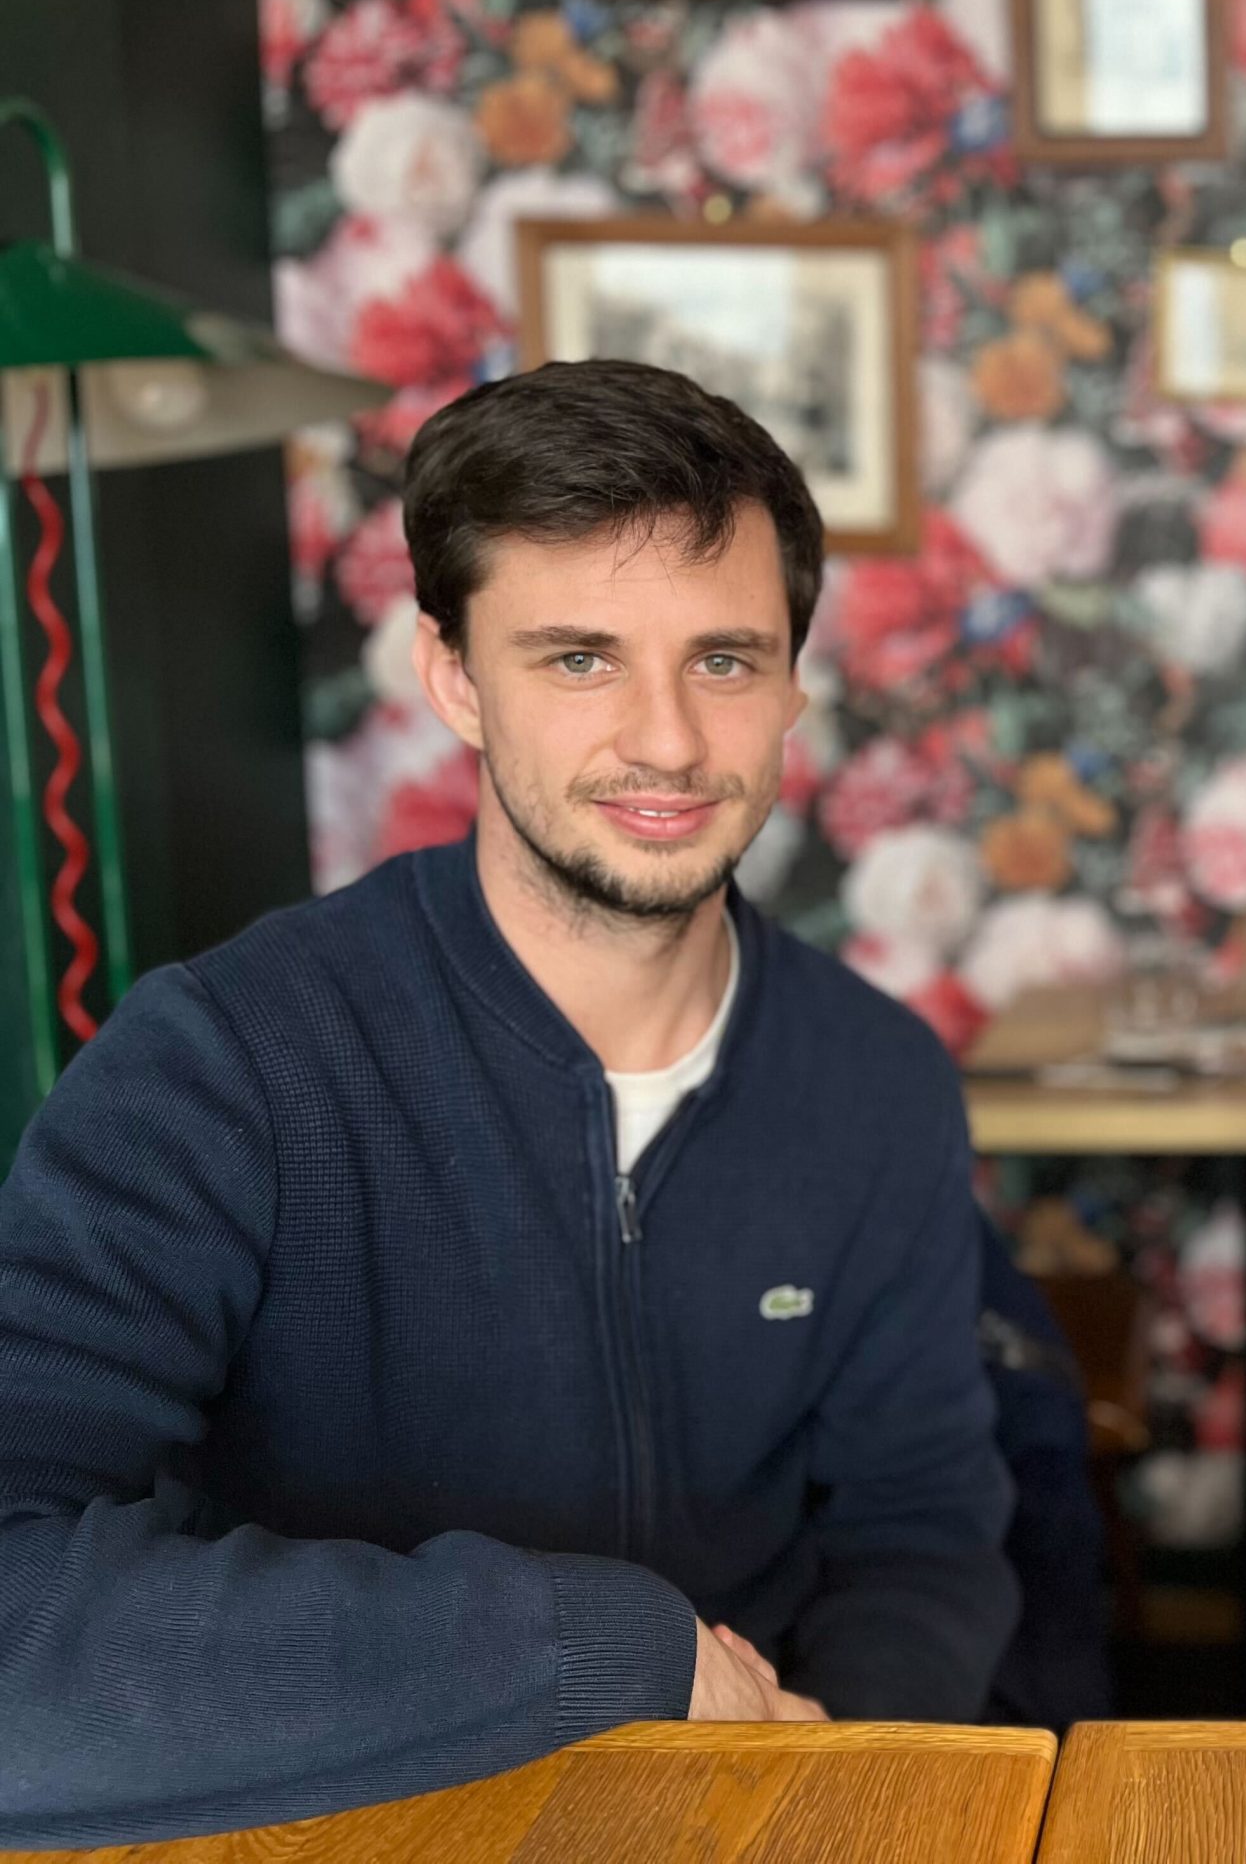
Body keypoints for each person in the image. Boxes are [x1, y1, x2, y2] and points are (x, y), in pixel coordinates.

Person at [0, 360, 1019, 1848]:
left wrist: (833, 1783)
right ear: (455, 677)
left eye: (724, 661)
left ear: (794, 683)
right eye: (579, 659)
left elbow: (924, 1537)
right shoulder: (221, 1065)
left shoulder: (876, 1078)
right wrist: (605, 1653)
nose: (668, 741)